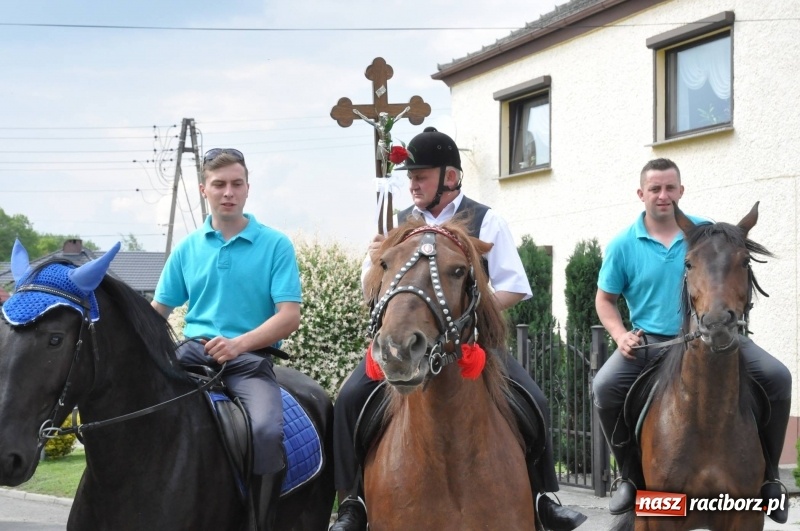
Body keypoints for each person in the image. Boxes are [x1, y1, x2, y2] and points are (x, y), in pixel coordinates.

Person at [330, 127, 587, 531]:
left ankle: (542, 497)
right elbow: (372, 285)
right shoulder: (399, 225)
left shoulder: (487, 220)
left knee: (533, 398)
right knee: (348, 399)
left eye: (422, 174)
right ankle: (353, 502)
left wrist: (465, 320)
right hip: (411, 344)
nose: (413, 182)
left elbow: (515, 286)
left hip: (473, 343)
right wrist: (377, 258)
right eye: (411, 176)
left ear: (450, 177)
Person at [592, 158, 792, 523]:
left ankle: (771, 481)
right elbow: (604, 299)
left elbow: (732, 271)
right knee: (604, 386)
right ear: (642, 194)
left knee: (779, 377)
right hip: (651, 342)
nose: (663, 195)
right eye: (655, 188)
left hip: (715, 334)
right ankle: (630, 478)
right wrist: (621, 335)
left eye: (670, 188)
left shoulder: (706, 233)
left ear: (681, 191)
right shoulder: (623, 244)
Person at [151, 148, 302, 531]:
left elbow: (289, 316)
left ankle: (257, 521)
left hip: (247, 363)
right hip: (189, 357)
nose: (228, 192)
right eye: (219, 184)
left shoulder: (275, 244)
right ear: (204, 189)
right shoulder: (187, 248)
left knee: (266, 431)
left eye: (236, 184)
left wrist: (239, 344)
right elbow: (157, 314)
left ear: (248, 189)